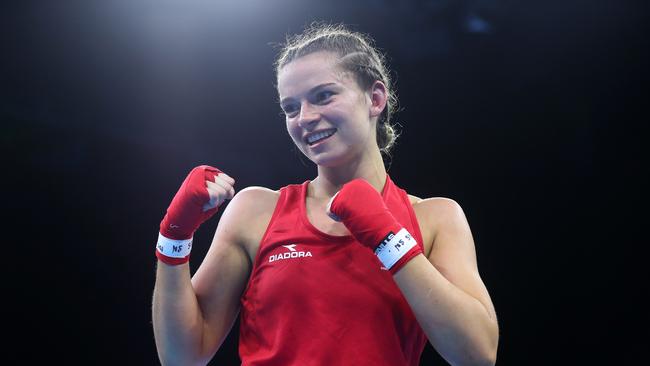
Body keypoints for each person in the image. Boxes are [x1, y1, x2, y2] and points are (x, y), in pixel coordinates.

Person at [152, 23, 499, 366]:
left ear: (375, 99)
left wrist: (388, 237)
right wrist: (173, 236)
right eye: (290, 107)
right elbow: (181, 357)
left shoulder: (434, 218)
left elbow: (477, 354)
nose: (305, 117)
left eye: (323, 96)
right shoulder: (255, 211)